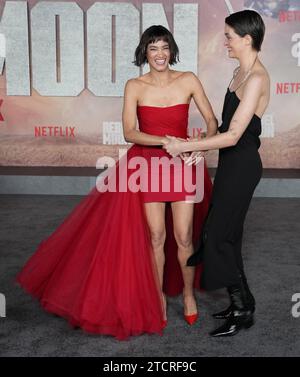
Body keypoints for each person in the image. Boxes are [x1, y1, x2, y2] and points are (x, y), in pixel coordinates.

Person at [16, 25, 216, 340]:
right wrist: (168, 142)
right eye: (153, 48)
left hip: (181, 165)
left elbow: (212, 121)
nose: (160, 54)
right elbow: (129, 132)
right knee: (156, 236)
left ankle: (189, 294)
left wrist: (198, 143)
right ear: (145, 53)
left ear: (171, 50)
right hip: (148, 164)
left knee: (184, 236)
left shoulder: (188, 79)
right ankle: (159, 297)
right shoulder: (134, 85)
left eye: (164, 47)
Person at [164, 10, 270, 337]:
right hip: (229, 163)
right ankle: (244, 303)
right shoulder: (239, 72)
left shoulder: (256, 79)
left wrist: (183, 148)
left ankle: (242, 310)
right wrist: (200, 148)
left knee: (218, 238)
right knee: (227, 237)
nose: (225, 41)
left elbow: (236, 134)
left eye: (229, 36)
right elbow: (225, 127)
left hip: (242, 166)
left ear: (246, 39)